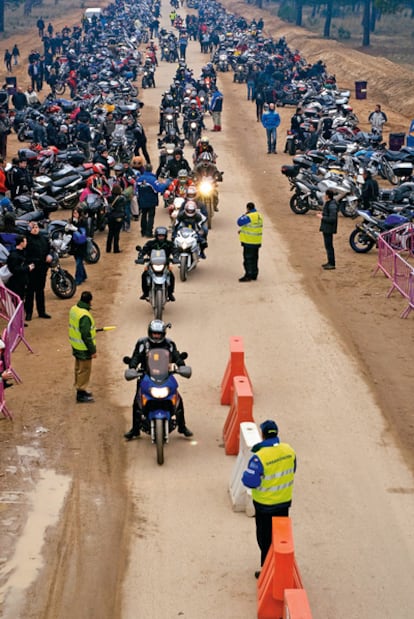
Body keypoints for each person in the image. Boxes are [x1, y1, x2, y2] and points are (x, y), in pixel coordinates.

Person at [242, 420, 296, 578]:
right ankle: (280, 567)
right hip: (283, 504)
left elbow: (250, 481)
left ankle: (266, 570)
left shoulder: (260, 457)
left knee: (264, 540)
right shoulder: (289, 451)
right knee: (280, 538)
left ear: (263, 435)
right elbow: (293, 469)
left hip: (264, 506)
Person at [124, 319, 193, 440]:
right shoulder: (142, 344)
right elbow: (136, 357)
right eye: (154, 333)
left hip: (165, 375)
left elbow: (176, 356)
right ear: (150, 333)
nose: (156, 336)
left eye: (159, 334)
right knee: (137, 402)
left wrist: (181, 366)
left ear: (163, 334)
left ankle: (182, 426)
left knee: (178, 400)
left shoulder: (169, 344)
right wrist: (132, 368)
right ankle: (135, 430)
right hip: (146, 376)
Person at [68, 291, 96, 403]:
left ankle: (80, 390)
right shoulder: (85, 315)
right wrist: (92, 350)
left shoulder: (74, 309)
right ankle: (81, 392)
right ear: (90, 301)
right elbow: (86, 335)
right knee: (84, 370)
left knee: (78, 368)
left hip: (76, 345)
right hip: (84, 348)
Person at [137, 226, 177, 301]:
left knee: (171, 276)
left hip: (165, 263)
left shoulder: (169, 244)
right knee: (144, 275)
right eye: (159, 235)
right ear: (156, 235)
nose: (161, 237)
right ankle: (145, 293)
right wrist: (140, 257)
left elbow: (175, 251)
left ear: (165, 236)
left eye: (162, 236)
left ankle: (170, 293)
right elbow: (143, 250)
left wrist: (176, 257)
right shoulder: (150, 243)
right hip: (152, 263)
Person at [24, 221, 53, 320]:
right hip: (32, 270)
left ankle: (42, 311)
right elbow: (25, 254)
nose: (35, 229)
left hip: (42, 269)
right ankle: (29, 313)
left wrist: (49, 255)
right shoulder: (26, 240)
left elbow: (50, 249)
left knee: (40, 291)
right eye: (33, 228)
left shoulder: (43, 238)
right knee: (30, 293)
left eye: (36, 227)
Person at [135, 164, 170, 238]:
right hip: (151, 201)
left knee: (143, 215)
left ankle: (143, 231)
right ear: (151, 169)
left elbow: (136, 189)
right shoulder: (152, 179)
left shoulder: (139, 179)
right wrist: (166, 183)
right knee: (151, 216)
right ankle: (149, 232)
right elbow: (159, 189)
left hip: (142, 200)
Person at [237, 202, 263, 282]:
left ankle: (248, 275)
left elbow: (239, 222)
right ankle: (254, 274)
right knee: (255, 258)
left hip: (249, 241)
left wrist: (244, 214)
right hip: (257, 241)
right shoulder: (259, 215)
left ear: (248, 208)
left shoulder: (249, 216)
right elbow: (252, 227)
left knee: (248, 259)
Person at [6, 235, 35, 301]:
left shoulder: (23, 252)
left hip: (23, 283)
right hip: (16, 284)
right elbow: (14, 269)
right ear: (21, 243)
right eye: (25, 241)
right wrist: (27, 268)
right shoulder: (14, 255)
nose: (26, 243)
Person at [317, 189, 338, 270]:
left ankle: (331, 263)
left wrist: (322, 217)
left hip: (328, 228)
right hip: (327, 228)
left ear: (328, 196)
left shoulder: (332, 205)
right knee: (328, 246)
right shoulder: (330, 203)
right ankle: (330, 262)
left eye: (325, 195)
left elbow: (332, 219)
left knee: (329, 246)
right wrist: (323, 214)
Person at [69, 207, 88, 285]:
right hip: (74, 245)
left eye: (76, 213)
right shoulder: (71, 221)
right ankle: (83, 275)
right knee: (79, 261)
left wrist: (76, 229)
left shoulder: (83, 221)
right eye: (74, 213)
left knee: (78, 262)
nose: (74, 214)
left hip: (81, 245)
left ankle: (78, 279)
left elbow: (84, 233)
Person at [106, 184, 126, 253]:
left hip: (110, 216)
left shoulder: (109, 198)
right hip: (119, 216)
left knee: (110, 232)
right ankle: (116, 248)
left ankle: (108, 248)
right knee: (116, 234)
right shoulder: (122, 198)